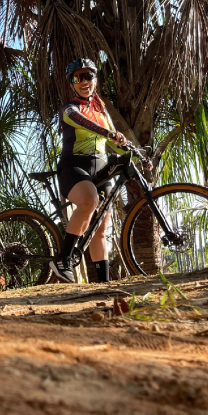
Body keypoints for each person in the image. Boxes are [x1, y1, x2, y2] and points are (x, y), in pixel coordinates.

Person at [49, 58, 127, 284]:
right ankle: (63, 259)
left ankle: (103, 284)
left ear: (95, 80)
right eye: (77, 78)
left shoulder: (102, 111)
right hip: (73, 167)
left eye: (88, 76)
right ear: (72, 83)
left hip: (102, 171)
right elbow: (82, 122)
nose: (84, 81)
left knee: (101, 229)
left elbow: (115, 145)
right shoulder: (69, 108)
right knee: (89, 200)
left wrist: (135, 153)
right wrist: (108, 132)